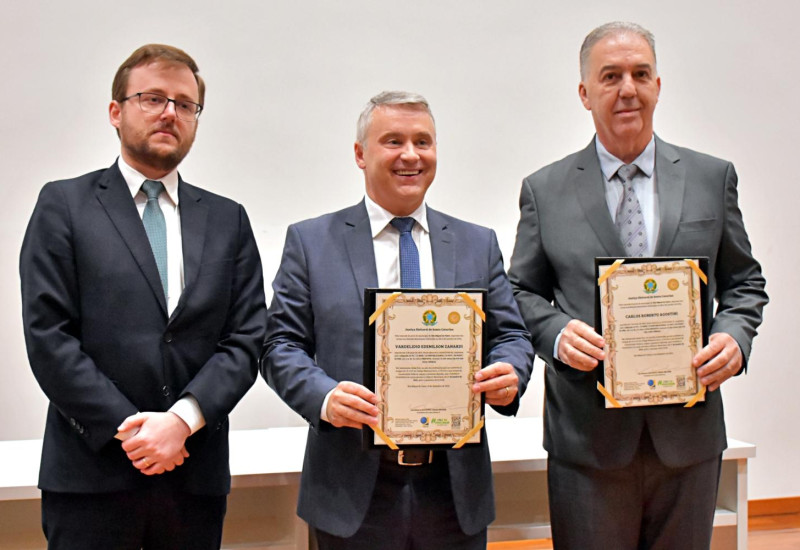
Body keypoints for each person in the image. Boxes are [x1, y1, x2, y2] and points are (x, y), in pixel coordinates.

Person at [508, 22, 768, 549]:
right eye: (611, 76)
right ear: (585, 93)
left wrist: (734, 338)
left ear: (657, 85)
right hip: (587, 442)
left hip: (688, 439)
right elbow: (519, 292)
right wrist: (557, 333)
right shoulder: (545, 189)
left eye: (640, 74)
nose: (628, 88)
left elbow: (744, 281)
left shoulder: (711, 178)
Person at [262, 91, 534, 549]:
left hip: (453, 492)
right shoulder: (311, 242)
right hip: (351, 490)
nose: (411, 155)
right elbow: (279, 345)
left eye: (423, 142)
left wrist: (512, 371)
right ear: (360, 154)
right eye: (393, 141)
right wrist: (325, 397)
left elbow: (511, 334)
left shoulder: (476, 243)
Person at [19, 44, 266, 549]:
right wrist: (131, 431)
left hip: (193, 478)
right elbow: (50, 337)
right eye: (153, 98)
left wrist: (180, 421)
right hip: (92, 476)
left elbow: (245, 339)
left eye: (185, 104)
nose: (170, 113)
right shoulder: (63, 204)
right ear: (116, 111)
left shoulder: (227, 219)